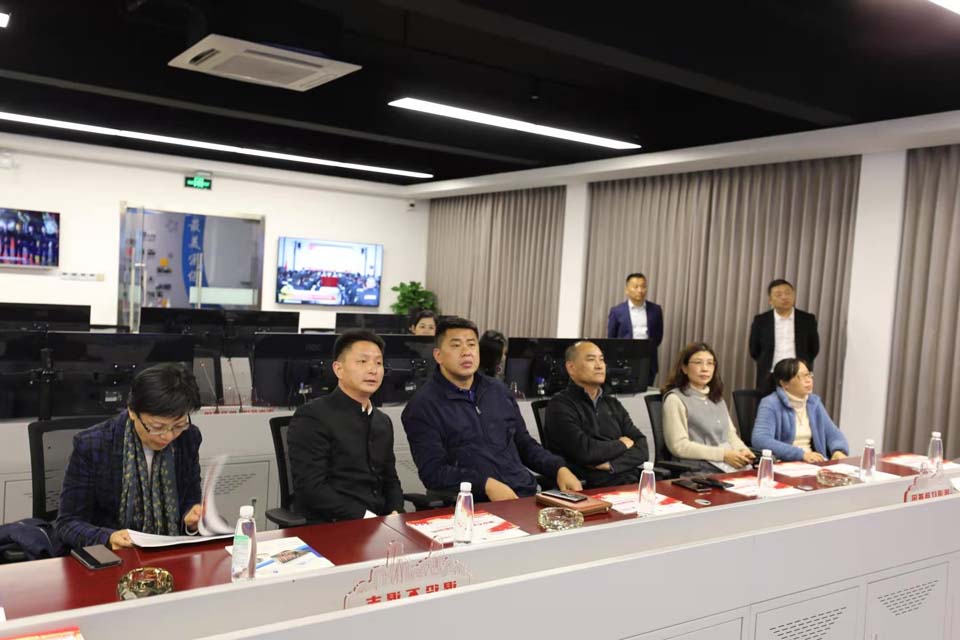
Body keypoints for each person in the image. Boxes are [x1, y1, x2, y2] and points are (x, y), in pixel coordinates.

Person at [402, 317, 582, 501]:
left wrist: (558, 468)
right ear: (438, 355)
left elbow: (524, 444)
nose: (466, 352)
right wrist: (485, 485)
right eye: (456, 345)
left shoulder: (498, 390)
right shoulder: (423, 406)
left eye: (471, 344)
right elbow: (434, 472)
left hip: (524, 494)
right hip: (475, 504)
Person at [55, 363, 203, 550]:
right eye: (157, 427)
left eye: (178, 426)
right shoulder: (92, 445)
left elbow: (190, 501)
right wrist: (108, 538)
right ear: (132, 411)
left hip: (167, 552)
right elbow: (67, 523)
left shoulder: (188, 438)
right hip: (112, 556)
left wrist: (191, 519)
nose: (167, 436)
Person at [287, 330, 404, 523]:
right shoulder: (312, 416)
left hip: (378, 525)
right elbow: (311, 488)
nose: (373, 370)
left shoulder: (382, 421)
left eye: (378, 363)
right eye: (362, 361)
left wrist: (395, 511)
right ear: (338, 369)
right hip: (331, 526)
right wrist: (366, 517)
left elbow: (390, 479)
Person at [544, 341, 649, 488]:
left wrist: (612, 465)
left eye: (602, 359)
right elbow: (586, 452)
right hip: (587, 487)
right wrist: (622, 444)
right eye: (591, 359)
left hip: (627, 482)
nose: (599, 366)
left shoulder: (612, 403)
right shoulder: (560, 405)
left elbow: (642, 447)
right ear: (571, 367)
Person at [661, 342, 755, 474]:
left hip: (726, 463)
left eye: (710, 363)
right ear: (684, 368)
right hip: (698, 468)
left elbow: (730, 435)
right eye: (698, 362)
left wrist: (742, 451)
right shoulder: (675, 399)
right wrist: (723, 454)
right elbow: (679, 446)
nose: (705, 368)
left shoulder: (717, 398)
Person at [752, 358, 848, 463]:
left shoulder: (813, 403)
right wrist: (801, 454)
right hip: (785, 463)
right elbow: (760, 439)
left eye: (808, 375)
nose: (808, 380)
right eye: (801, 376)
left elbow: (833, 434)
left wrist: (838, 451)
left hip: (814, 463)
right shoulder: (770, 403)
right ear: (784, 383)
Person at [749, 279, 820, 394]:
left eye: (788, 293)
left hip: (798, 376)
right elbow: (754, 350)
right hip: (769, 376)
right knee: (768, 404)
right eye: (778, 295)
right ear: (770, 300)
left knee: (798, 405)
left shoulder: (807, 320)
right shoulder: (761, 320)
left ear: (794, 295)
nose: (784, 297)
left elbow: (813, 348)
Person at [606, 272, 664, 387]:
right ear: (627, 290)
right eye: (636, 287)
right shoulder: (617, 311)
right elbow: (612, 337)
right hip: (624, 360)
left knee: (645, 391)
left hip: (647, 360)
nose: (640, 290)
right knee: (625, 392)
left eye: (643, 286)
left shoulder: (655, 310)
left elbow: (658, 336)